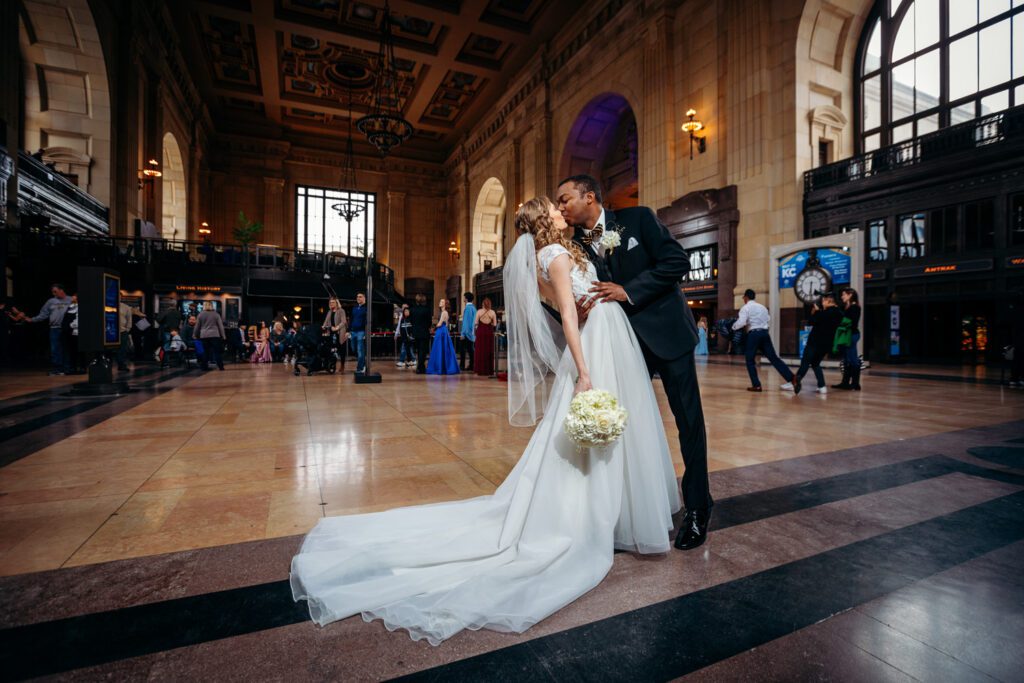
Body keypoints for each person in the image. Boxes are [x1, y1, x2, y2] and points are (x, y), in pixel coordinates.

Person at [290, 196, 680, 644]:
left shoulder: (568, 251)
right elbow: (569, 316)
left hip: (612, 335)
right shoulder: (551, 255)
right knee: (587, 437)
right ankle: (589, 518)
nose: (560, 210)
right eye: (554, 208)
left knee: (619, 430)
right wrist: (584, 371)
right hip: (594, 345)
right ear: (542, 221)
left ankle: (619, 513)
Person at [557, 174, 711, 550]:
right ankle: (634, 509)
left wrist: (629, 291)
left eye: (565, 199)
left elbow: (677, 262)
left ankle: (698, 507)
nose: (561, 207)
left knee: (688, 421)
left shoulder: (639, 219)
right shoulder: (574, 244)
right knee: (632, 428)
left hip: (667, 333)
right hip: (621, 346)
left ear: (588, 197)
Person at [733, 289, 799, 394]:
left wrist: (733, 327)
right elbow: (768, 319)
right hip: (764, 333)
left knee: (750, 360)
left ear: (746, 298)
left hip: (753, 334)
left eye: (744, 298)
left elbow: (741, 322)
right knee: (774, 358)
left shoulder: (745, 308)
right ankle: (792, 378)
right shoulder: (762, 307)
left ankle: (757, 385)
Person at [795, 293, 843, 394]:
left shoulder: (822, 313)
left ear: (829, 301)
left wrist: (815, 313)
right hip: (826, 344)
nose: (822, 303)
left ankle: (794, 381)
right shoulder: (839, 313)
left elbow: (811, 322)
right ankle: (822, 386)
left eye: (823, 301)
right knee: (816, 363)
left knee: (805, 362)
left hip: (814, 342)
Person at [26, 283, 73, 375]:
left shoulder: (71, 300)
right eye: (53, 292)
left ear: (61, 290)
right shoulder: (51, 301)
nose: (54, 294)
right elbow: (43, 314)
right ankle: (57, 369)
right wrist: (32, 319)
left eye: (55, 292)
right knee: (55, 349)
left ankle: (67, 369)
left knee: (67, 349)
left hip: (67, 329)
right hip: (54, 329)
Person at [833, 287, 863, 391]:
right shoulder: (848, 307)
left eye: (844, 294)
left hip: (851, 335)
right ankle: (845, 383)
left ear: (850, 295)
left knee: (852, 359)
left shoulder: (854, 307)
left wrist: (839, 314)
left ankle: (855, 384)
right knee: (846, 359)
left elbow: (850, 322)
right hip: (847, 335)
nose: (842, 297)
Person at [426, 299, 459, 375]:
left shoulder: (444, 312)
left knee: (439, 349)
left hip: (441, 331)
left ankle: (440, 367)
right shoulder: (444, 312)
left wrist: (433, 328)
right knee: (443, 348)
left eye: (442, 302)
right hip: (443, 331)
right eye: (440, 301)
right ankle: (443, 367)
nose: (440, 303)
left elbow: (440, 324)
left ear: (445, 304)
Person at [193, 305, 225, 371]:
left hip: (204, 335)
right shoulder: (216, 314)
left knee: (205, 352)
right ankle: (221, 367)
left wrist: (194, 334)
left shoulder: (200, 314)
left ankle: (204, 367)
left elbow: (197, 326)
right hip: (215, 335)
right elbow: (220, 326)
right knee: (217, 352)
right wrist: (223, 335)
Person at [323, 297, 348, 372]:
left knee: (341, 350)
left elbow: (344, 321)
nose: (331, 304)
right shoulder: (329, 312)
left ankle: (342, 366)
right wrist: (323, 326)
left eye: (333, 302)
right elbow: (326, 321)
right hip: (331, 332)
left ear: (337, 303)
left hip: (340, 332)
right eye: (330, 302)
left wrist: (337, 327)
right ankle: (332, 365)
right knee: (332, 350)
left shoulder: (341, 311)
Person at [474, 296, 497, 376]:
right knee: (488, 350)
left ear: (483, 304)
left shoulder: (479, 311)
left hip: (480, 331)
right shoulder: (493, 312)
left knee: (480, 350)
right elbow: (494, 324)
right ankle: (489, 370)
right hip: (489, 331)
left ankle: (480, 370)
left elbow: (476, 323)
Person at [409, 294, 432, 374]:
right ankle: (420, 368)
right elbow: (429, 322)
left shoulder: (412, 310)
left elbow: (411, 321)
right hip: (424, 332)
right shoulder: (427, 310)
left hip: (416, 333)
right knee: (423, 351)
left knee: (419, 351)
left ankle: (420, 367)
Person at [459, 292, 477, 371]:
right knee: (470, 350)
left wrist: (463, 333)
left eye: (464, 297)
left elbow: (466, 322)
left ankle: (462, 365)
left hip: (466, 333)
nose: (463, 298)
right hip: (472, 333)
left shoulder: (468, 308)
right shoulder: (473, 308)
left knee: (463, 351)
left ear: (466, 298)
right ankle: (471, 365)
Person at [350, 293, 367, 374]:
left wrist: (366, 333)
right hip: (353, 331)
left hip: (361, 331)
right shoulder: (355, 308)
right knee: (353, 349)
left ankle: (360, 368)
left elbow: (368, 321)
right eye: (357, 297)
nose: (358, 298)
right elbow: (351, 319)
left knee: (360, 350)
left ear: (364, 298)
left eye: (360, 297)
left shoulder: (366, 308)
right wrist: (349, 330)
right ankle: (363, 362)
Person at [1010, 291, 1024, 387]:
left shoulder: (1015, 311)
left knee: (1017, 359)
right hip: (1020, 339)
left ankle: (1015, 378)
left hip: (1017, 340)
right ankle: (1020, 378)